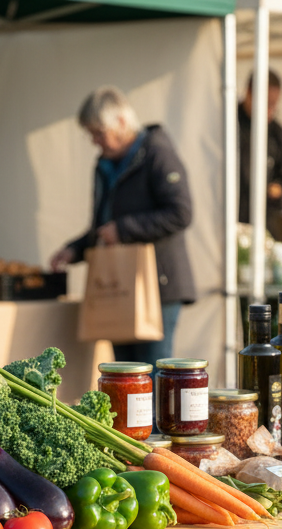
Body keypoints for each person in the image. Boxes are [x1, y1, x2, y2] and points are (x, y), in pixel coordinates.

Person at [48, 86, 195, 365]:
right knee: (123, 376)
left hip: (158, 286)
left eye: (99, 133)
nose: (95, 141)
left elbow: (181, 213)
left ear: (122, 123)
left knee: (152, 376)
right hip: (120, 285)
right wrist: (75, 250)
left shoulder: (157, 154)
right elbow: (103, 226)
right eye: (90, 134)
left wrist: (124, 230)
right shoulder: (104, 164)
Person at [238, 70, 282, 229]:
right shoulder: (229, 123)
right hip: (230, 222)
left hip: (265, 224)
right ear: (249, 94)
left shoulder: (277, 133)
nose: (271, 109)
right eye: (267, 103)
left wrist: (280, 191)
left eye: (274, 104)